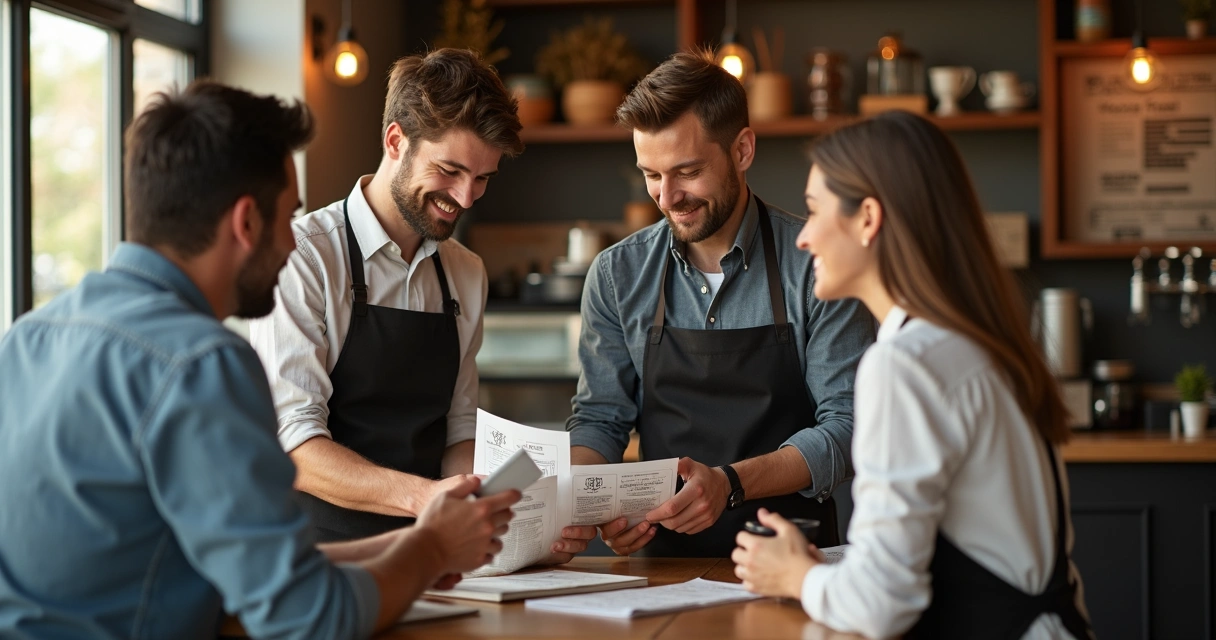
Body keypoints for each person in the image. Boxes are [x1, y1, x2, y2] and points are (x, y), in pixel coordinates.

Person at [0, 81, 519, 639]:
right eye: (286, 217)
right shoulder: (202, 365)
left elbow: (231, 566)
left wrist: (426, 542)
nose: (294, 244)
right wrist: (433, 543)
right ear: (247, 223)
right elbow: (313, 616)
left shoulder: (26, 338)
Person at [732, 111, 1093, 640]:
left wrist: (797, 575)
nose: (803, 239)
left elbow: (882, 604)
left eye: (814, 211)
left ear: (868, 219)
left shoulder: (904, 363)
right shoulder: (983, 341)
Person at [247, 48, 594, 557]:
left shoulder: (465, 272)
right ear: (395, 141)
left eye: (482, 178)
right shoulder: (305, 256)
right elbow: (296, 446)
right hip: (317, 561)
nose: (467, 197)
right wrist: (425, 499)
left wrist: (525, 516)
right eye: (450, 170)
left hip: (431, 558)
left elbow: (458, 432)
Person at [567, 50, 875, 558]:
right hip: (663, 566)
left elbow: (848, 425)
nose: (668, 197)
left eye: (688, 171)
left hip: (794, 560)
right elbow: (601, 419)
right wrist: (589, 502)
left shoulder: (817, 263)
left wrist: (729, 483)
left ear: (743, 150)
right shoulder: (617, 275)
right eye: (651, 174)